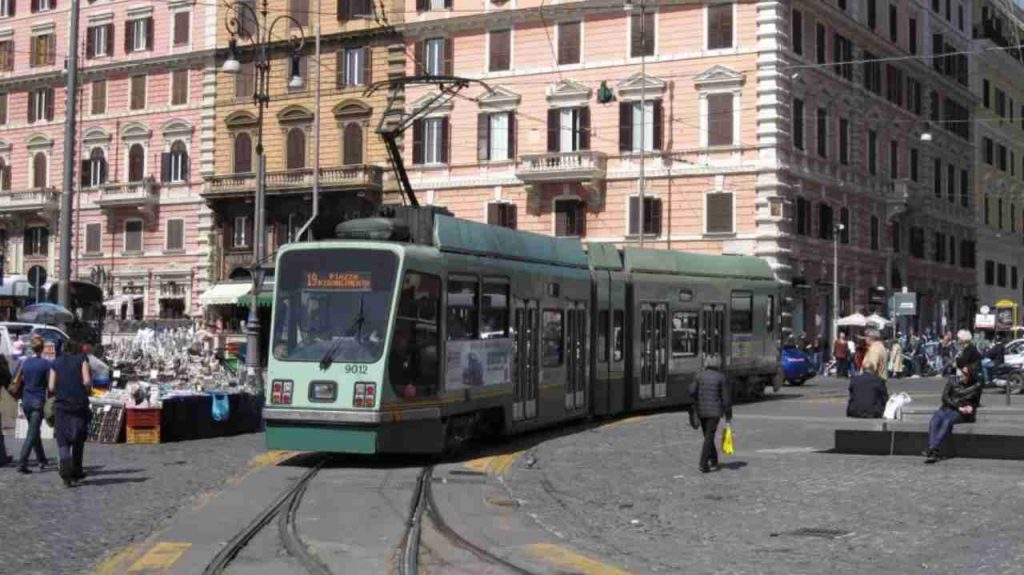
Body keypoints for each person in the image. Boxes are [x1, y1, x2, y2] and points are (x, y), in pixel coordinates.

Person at [48, 340, 92, 487]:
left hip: (61, 405)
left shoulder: (56, 362)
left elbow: (51, 386)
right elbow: (86, 381)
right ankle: (77, 471)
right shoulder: (82, 359)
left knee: (63, 437)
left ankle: (65, 466)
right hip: (78, 403)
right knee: (79, 437)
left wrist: (62, 388)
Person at [924, 364, 982, 463]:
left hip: (960, 412)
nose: (961, 375)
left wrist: (970, 407)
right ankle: (933, 449)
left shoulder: (976, 386)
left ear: (970, 375)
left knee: (947, 422)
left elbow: (975, 402)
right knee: (935, 421)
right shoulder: (952, 381)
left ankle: (933, 448)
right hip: (947, 408)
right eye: (961, 373)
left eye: (964, 374)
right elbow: (944, 398)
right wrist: (958, 406)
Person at [689, 354, 733, 473]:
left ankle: (713, 459)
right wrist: (728, 415)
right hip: (715, 412)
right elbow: (726, 399)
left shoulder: (699, 376)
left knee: (707, 435)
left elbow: (691, 391)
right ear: (718, 363)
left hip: (702, 411)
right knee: (709, 436)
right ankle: (703, 463)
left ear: (706, 363)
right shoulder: (721, 377)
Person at [16, 336, 51, 474]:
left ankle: (42, 459)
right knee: (32, 433)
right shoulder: (45, 364)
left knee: (34, 431)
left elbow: (18, 379)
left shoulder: (24, 362)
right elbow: (50, 384)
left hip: (26, 401)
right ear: (42, 349)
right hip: (38, 401)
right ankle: (22, 462)